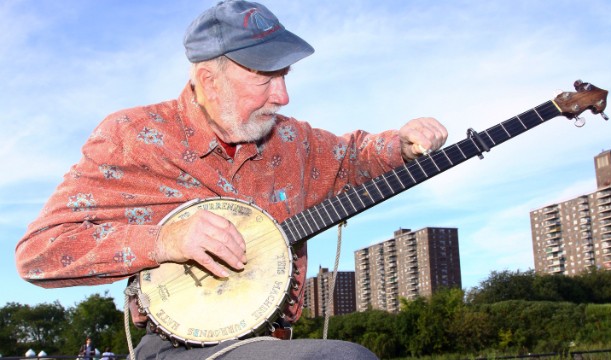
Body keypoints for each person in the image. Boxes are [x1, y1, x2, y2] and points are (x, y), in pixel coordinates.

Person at [15, 1, 447, 359]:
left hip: (274, 343)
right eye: (264, 77)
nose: (282, 96)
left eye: (285, 76)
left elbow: (354, 157)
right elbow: (38, 253)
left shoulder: (292, 140)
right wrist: (164, 241)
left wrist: (403, 144)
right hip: (176, 348)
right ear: (207, 78)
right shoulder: (132, 137)